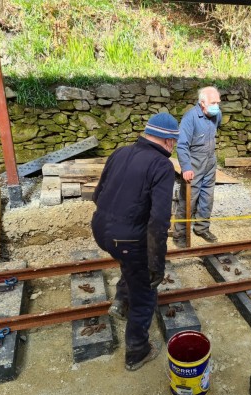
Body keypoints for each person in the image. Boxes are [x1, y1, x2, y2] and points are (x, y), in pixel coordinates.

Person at [91, 112, 179, 371]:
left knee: (128, 261)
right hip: (125, 238)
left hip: (101, 231)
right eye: (173, 143)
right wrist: (157, 265)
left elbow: (98, 194)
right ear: (169, 141)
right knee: (145, 292)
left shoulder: (120, 152)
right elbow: (159, 221)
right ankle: (137, 351)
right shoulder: (162, 166)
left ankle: (120, 300)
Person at [173, 86, 222, 248]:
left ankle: (201, 228)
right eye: (213, 102)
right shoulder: (190, 118)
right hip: (194, 163)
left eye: (218, 102)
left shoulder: (216, 115)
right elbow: (181, 145)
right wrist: (186, 167)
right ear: (202, 103)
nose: (217, 105)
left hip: (210, 161)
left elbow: (216, 130)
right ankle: (179, 233)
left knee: (207, 197)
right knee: (188, 198)